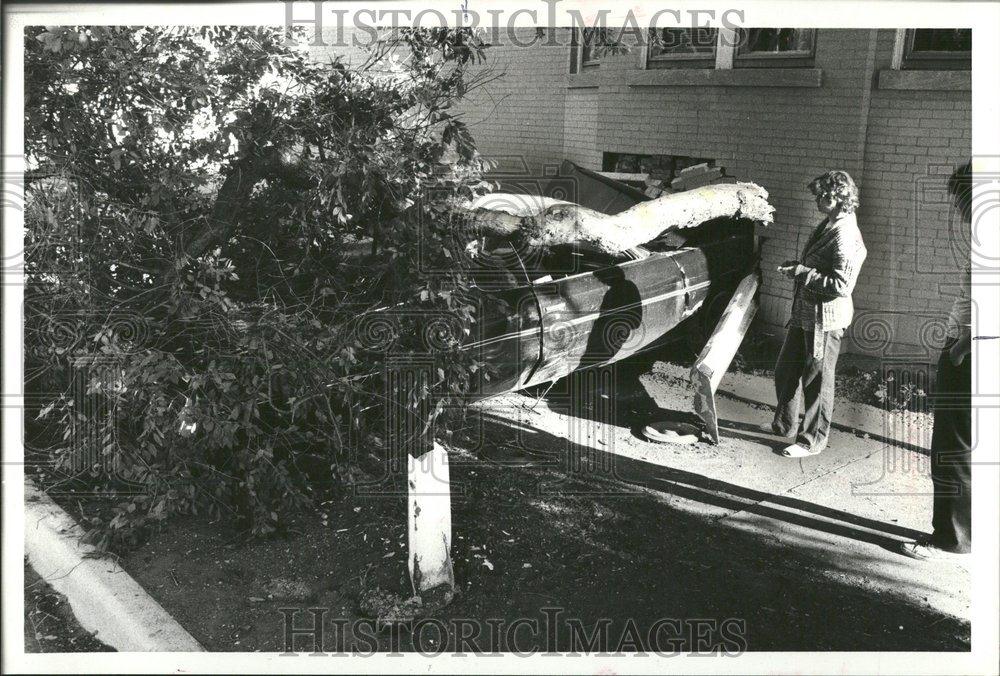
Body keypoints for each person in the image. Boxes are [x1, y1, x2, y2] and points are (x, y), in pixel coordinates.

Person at [902, 161, 973, 561]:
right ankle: (965, 532)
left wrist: (960, 349)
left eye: (962, 200)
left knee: (953, 445)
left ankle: (951, 537)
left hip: (970, 353)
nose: (958, 210)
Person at [769, 170, 867, 458]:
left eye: (822, 195)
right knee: (786, 370)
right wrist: (799, 268)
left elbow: (842, 285)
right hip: (806, 313)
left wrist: (803, 273)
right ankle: (784, 425)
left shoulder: (845, 233)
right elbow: (818, 268)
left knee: (817, 379)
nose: (816, 200)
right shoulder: (828, 224)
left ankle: (811, 440)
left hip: (826, 319)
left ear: (838, 198)